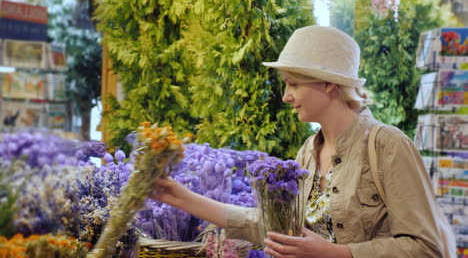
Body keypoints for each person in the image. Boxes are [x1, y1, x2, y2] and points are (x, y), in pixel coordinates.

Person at [153, 26, 447, 257]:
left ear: (328, 83)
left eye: (293, 84)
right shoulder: (307, 152)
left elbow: (426, 247)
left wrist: (339, 254)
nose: (285, 96)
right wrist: (177, 196)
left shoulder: (388, 146)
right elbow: (275, 227)